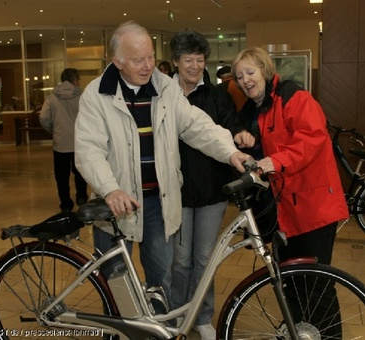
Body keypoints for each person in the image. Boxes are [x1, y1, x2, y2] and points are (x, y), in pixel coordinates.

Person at [73, 21, 251, 316]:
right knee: (115, 277)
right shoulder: (96, 95)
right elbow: (89, 150)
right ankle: (122, 329)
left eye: (150, 58)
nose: (147, 66)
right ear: (117, 61)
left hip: (157, 202)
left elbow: (196, 124)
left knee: (160, 276)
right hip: (115, 203)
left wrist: (230, 152)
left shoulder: (165, 87)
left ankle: (158, 328)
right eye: (137, 60)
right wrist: (110, 188)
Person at [231, 46, 348, 337]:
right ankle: (299, 332)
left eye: (250, 72)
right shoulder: (259, 108)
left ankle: (329, 336)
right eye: (239, 76)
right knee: (289, 279)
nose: (245, 80)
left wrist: (276, 161)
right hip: (287, 209)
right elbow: (262, 142)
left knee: (316, 283)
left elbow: (313, 138)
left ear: (264, 69)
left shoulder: (294, 97)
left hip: (314, 206)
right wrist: (246, 140)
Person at [168, 29, 254, 340]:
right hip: (175, 191)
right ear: (176, 61)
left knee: (203, 257)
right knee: (179, 259)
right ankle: (177, 313)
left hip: (211, 189)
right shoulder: (165, 95)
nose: (194, 66)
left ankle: (202, 316)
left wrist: (240, 134)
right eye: (188, 60)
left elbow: (231, 124)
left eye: (199, 60)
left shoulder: (217, 95)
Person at [39, 68, 88, 212]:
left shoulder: (51, 98)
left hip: (60, 144)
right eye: (78, 79)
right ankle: (82, 197)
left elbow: (43, 118)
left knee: (62, 176)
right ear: (74, 80)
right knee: (81, 173)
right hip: (80, 142)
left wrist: (54, 131)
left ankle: (66, 204)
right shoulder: (83, 97)